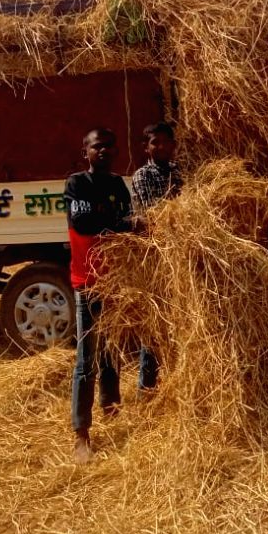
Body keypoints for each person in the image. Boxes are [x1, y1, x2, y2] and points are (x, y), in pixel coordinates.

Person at [65, 127, 139, 463]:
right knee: (86, 361)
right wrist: (120, 224)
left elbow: (129, 221)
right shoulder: (77, 183)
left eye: (110, 146)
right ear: (86, 152)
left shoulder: (117, 185)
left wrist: (113, 222)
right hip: (88, 282)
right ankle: (82, 435)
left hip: (116, 282)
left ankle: (112, 410)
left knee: (112, 352)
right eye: (97, 147)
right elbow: (81, 222)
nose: (104, 151)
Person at [129, 122, 184, 392]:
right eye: (155, 143)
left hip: (180, 256)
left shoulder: (179, 172)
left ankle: (179, 380)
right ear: (146, 148)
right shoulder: (142, 176)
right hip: (155, 257)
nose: (161, 147)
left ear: (174, 145)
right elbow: (155, 215)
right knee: (154, 322)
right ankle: (146, 387)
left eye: (166, 142)